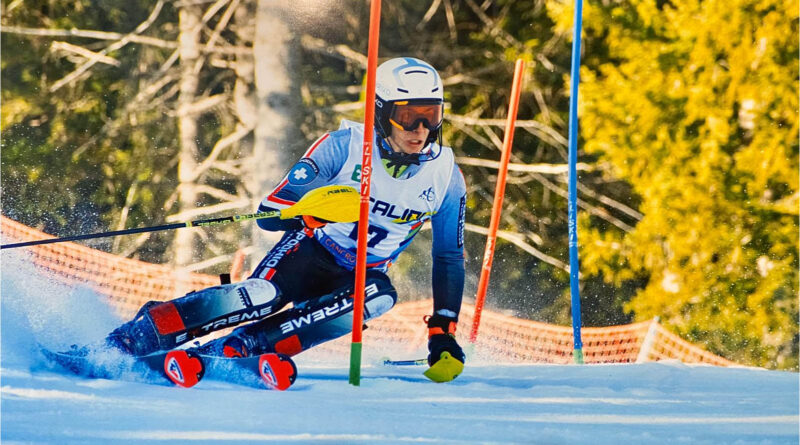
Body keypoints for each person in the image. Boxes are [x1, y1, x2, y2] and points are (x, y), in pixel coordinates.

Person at [107, 57, 467, 381]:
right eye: (407, 116)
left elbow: (448, 256)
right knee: (261, 296)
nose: (419, 129)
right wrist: (306, 215)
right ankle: (147, 330)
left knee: (380, 296)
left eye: (430, 116)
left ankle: (241, 348)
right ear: (380, 112)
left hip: (359, 275)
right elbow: (269, 213)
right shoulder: (344, 147)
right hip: (310, 251)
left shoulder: (446, 177)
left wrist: (442, 331)